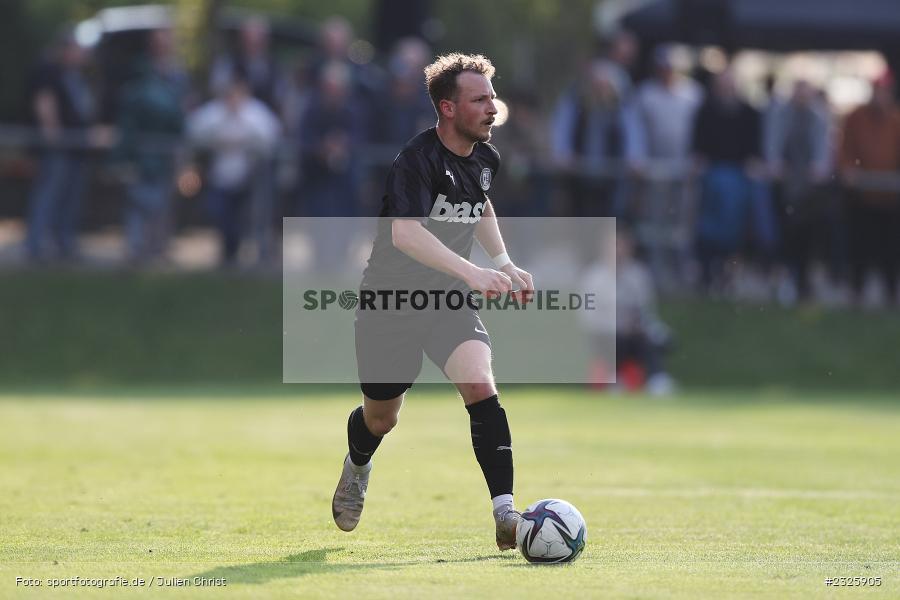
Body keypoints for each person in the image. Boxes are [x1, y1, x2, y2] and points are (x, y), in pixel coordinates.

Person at [331, 53, 535, 553]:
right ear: (447, 108)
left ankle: (505, 513)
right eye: (480, 99)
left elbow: (479, 201)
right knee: (382, 418)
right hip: (391, 302)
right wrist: (474, 272)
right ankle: (357, 464)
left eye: (492, 96)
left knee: (480, 384)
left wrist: (504, 262)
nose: (492, 107)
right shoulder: (415, 160)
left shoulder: (485, 157)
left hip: (446, 300)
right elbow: (404, 235)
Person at [187, 72, 281, 265]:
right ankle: (228, 255)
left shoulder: (255, 114)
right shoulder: (213, 113)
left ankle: (252, 255)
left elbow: (271, 136)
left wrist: (245, 137)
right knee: (222, 217)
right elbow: (194, 132)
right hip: (220, 177)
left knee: (246, 219)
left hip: (249, 179)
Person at [839, 71, 900, 306]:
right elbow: (844, 149)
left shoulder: (895, 121)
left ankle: (891, 292)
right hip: (862, 196)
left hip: (890, 198)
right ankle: (857, 291)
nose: (879, 96)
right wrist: (849, 171)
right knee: (859, 246)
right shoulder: (856, 118)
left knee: (891, 248)